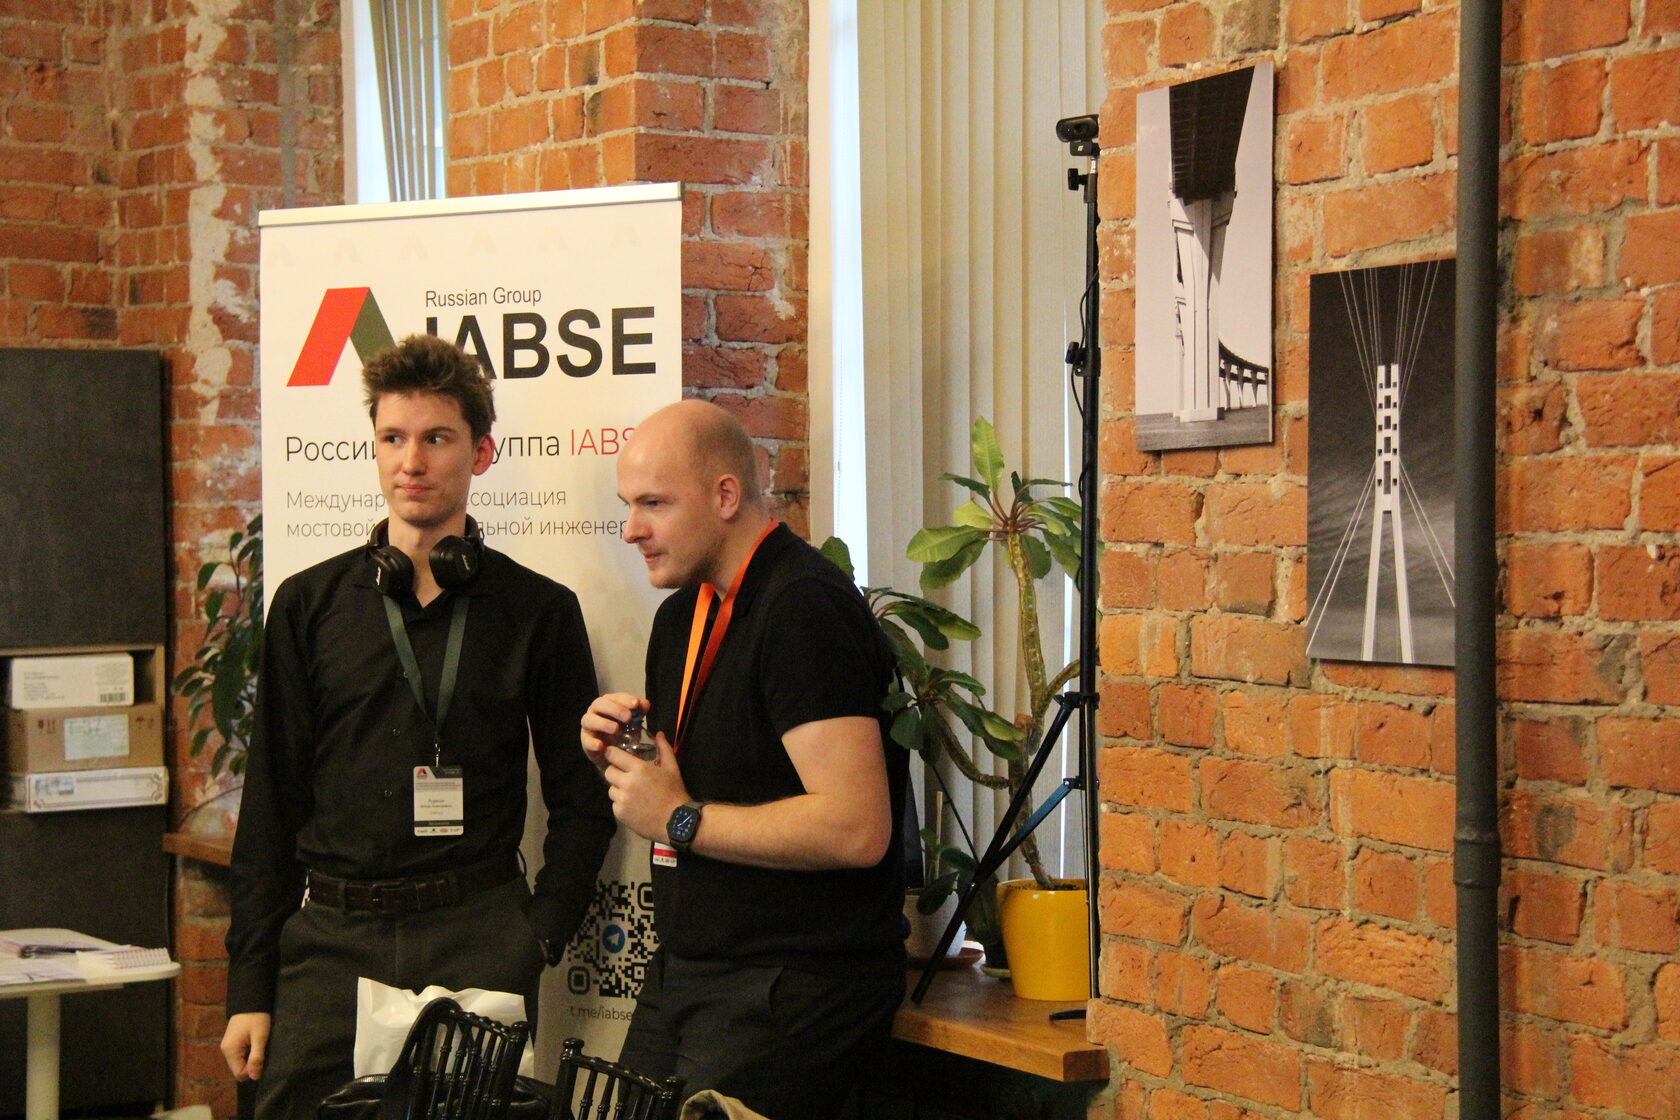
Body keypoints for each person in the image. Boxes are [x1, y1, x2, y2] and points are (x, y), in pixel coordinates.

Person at [223, 334, 614, 1120]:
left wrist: (537, 935)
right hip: (331, 939)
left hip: (478, 932)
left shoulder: (538, 611)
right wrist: (250, 984)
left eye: (437, 438)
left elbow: (583, 798)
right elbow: (271, 803)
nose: (412, 461)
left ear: (481, 452)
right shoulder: (307, 605)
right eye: (393, 438)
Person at [579, 400, 907, 1120]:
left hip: (791, 983)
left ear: (725, 495)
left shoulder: (803, 608)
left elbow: (857, 828)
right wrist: (623, 752)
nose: (631, 529)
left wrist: (679, 819)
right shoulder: (681, 614)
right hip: (688, 968)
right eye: (629, 505)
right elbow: (707, 781)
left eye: (653, 504)